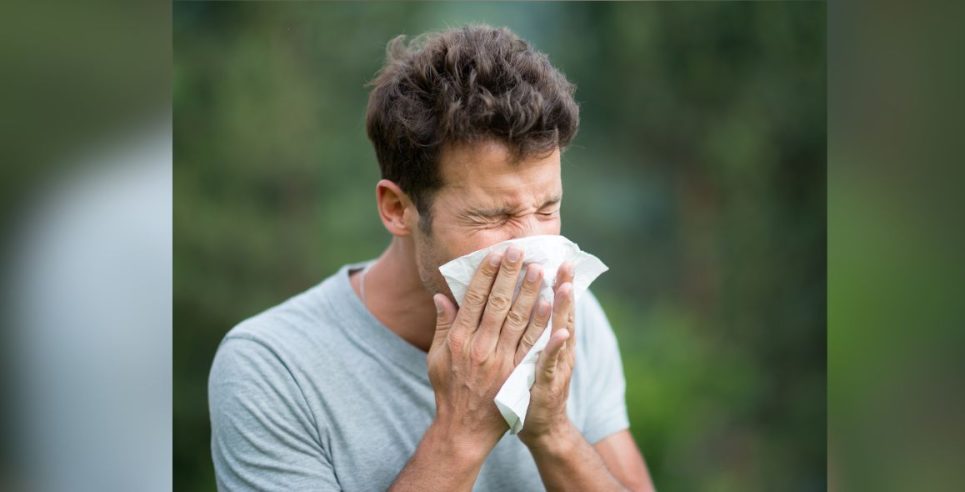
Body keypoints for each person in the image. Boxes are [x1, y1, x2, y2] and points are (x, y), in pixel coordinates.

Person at [209, 24, 654, 491]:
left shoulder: (567, 317)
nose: (530, 251)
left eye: (547, 208)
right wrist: (461, 430)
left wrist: (554, 432)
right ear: (397, 209)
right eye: (494, 216)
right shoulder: (273, 367)